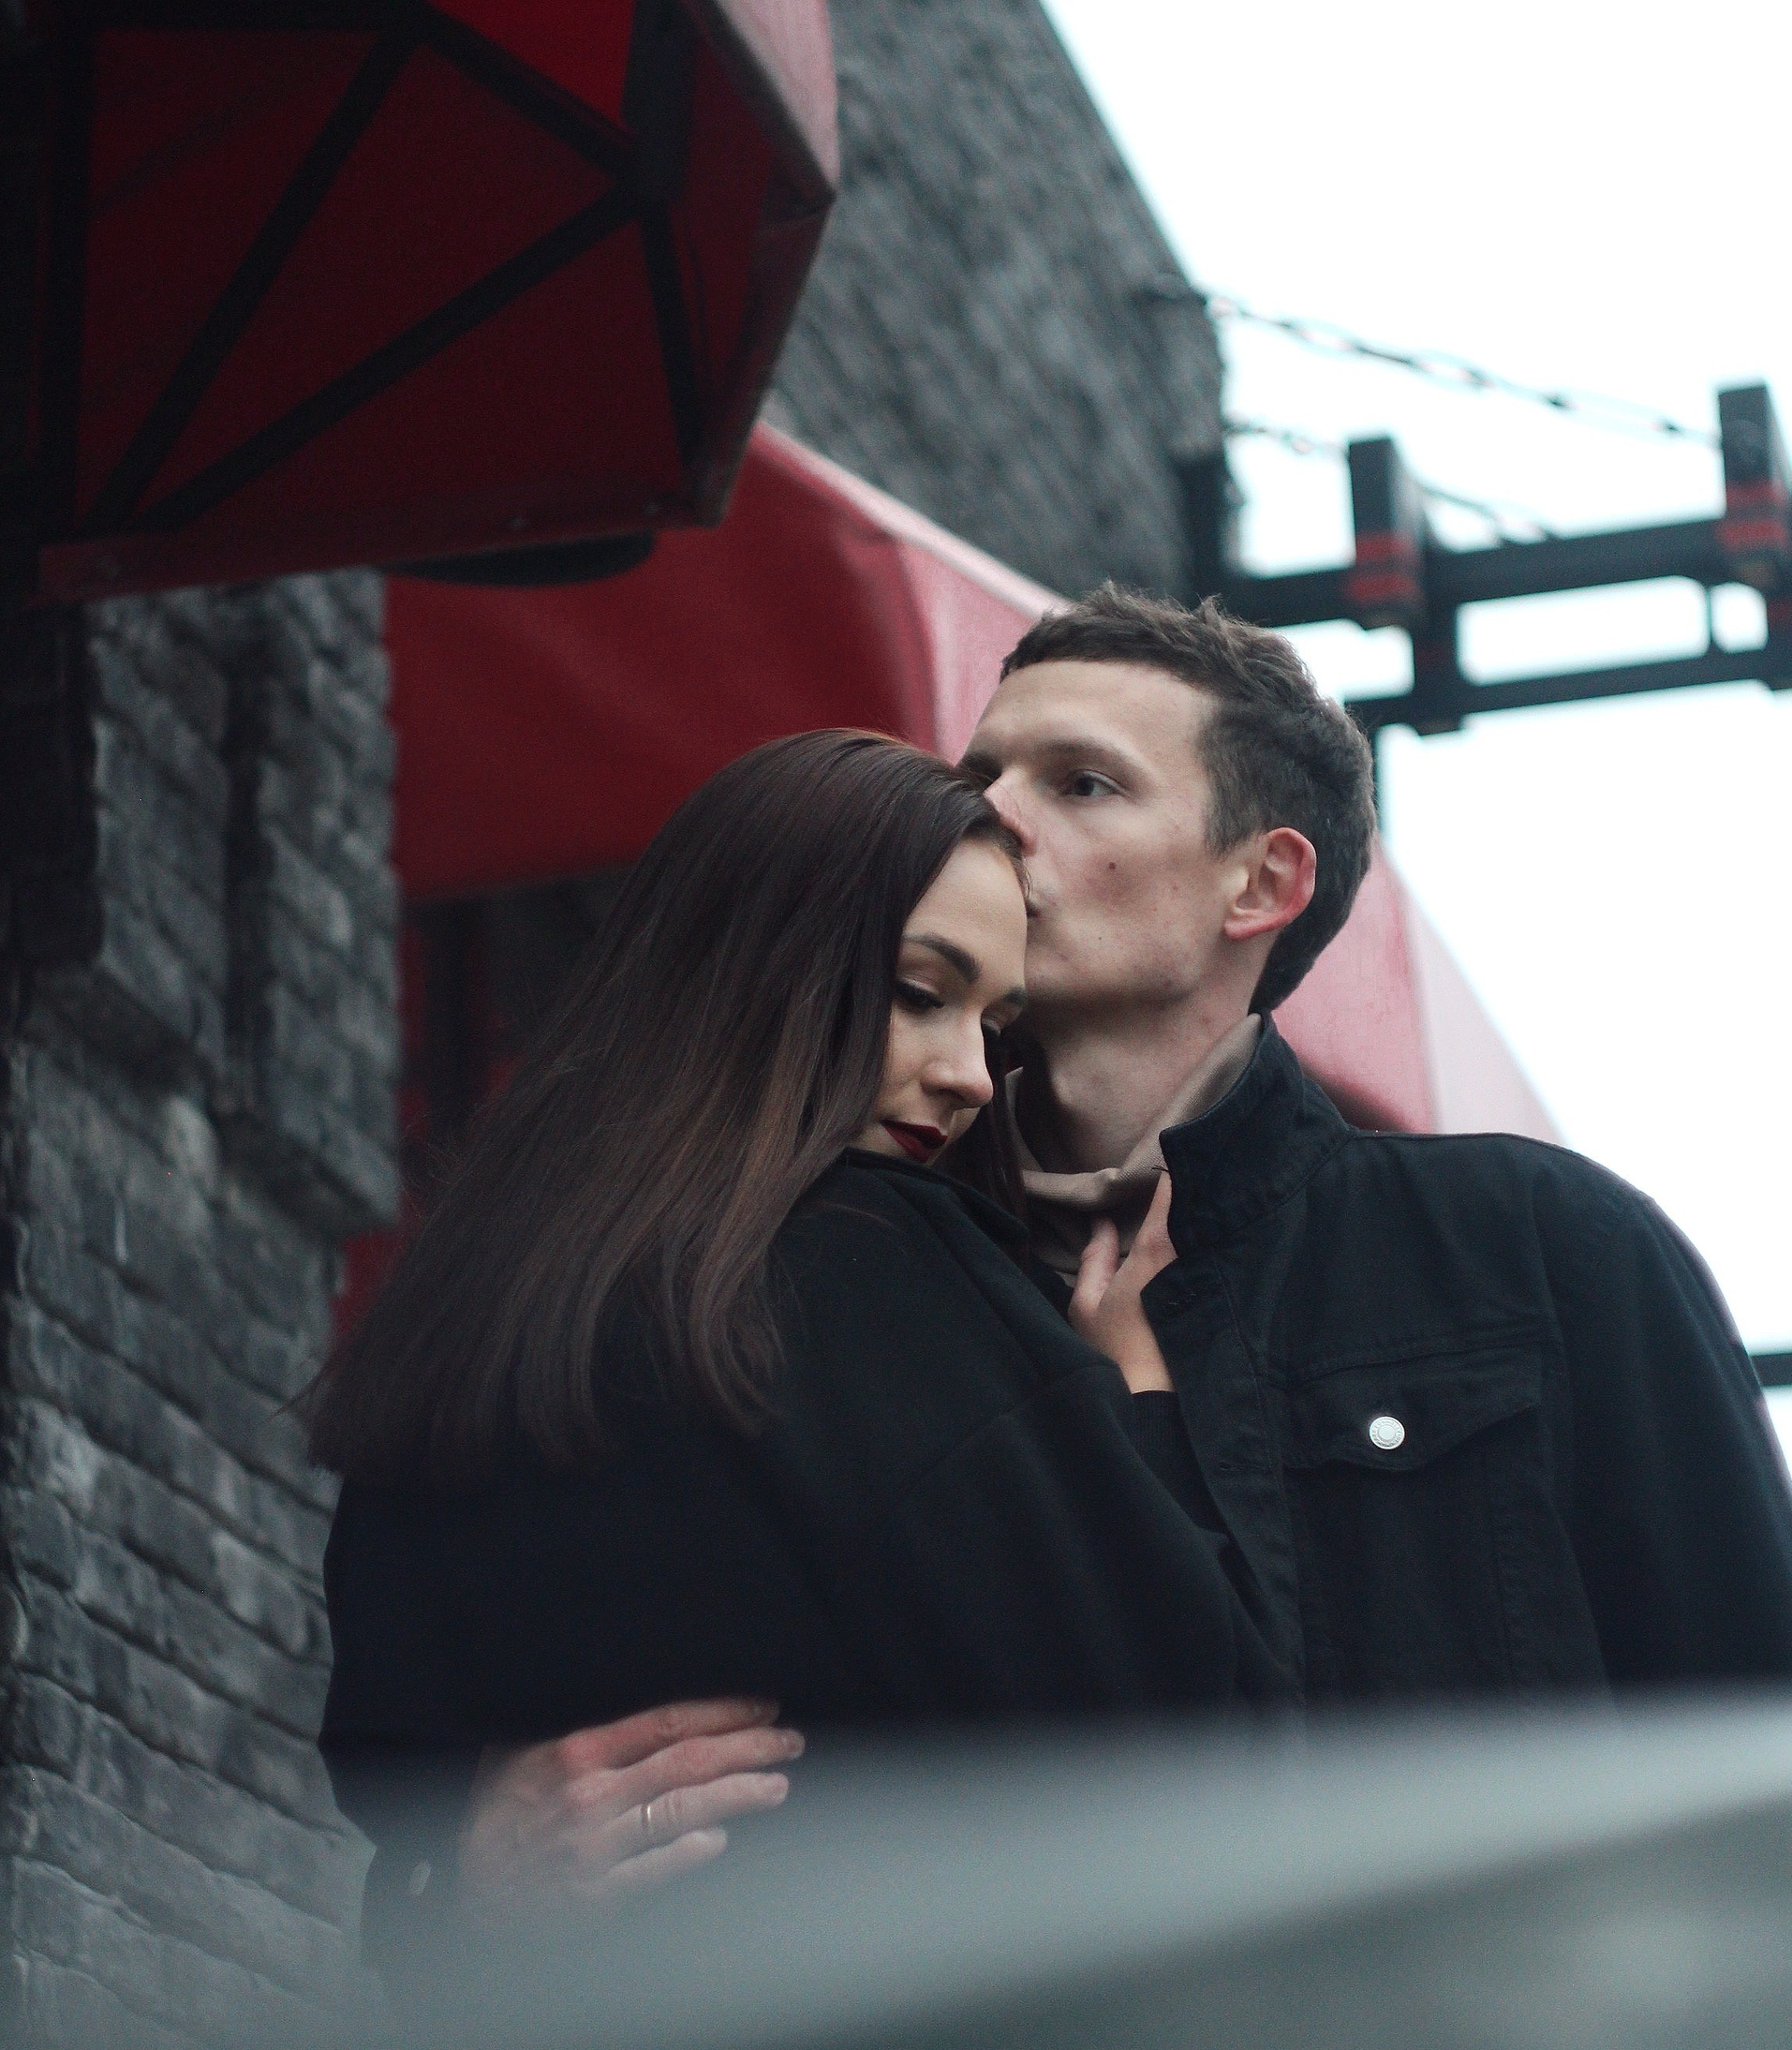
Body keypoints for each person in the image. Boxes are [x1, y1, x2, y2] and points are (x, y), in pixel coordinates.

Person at [465, 587, 1792, 1901]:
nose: (994, 815)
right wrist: (464, 1860)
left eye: (1083, 783)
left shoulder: (1538, 1253)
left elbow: (1759, 1754)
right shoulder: (805, 1262)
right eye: (979, 773)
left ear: (1260, 882)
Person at [316, 729, 1281, 1950]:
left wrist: (461, 1870)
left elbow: (390, 1796)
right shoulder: (866, 1259)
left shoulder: (471, 1309)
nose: (973, 1077)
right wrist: (1134, 1392)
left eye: (996, 1026)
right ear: (761, 969)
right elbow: (1199, 1743)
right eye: (922, 994)